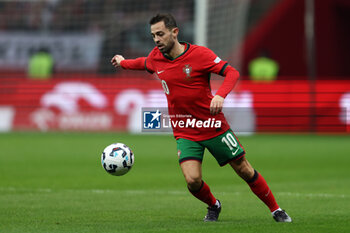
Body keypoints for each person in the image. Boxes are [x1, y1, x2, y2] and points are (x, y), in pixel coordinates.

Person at [111, 13, 292, 223]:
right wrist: (123, 62)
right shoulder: (155, 57)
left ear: (174, 32)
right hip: (185, 129)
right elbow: (142, 63)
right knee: (192, 180)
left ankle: (276, 209)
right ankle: (213, 205)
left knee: (243, 168)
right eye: (153, 36)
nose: (157, 39)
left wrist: (220, 95)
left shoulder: (200, 55)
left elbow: (231, 73)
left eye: (160, 34)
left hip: (212, 124)